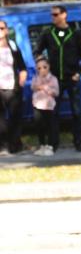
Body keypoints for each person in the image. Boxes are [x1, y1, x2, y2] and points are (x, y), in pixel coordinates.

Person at [34, 5, 81, 153]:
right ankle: (54, 143)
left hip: (72, 78)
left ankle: (78, 142)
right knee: (53, 112)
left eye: (56, 14)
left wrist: (79, 73)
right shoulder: (48, 33)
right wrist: (42, 64)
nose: (53, 17)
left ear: (64, 15)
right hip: (55, 79)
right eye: (51, 15)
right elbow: (37, 51)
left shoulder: (75, 33)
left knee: (76, 111)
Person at [0, 20, 29, 154]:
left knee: (15, 118)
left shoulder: (12, 46)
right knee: (1, 120)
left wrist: (22, 79)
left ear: (6, 30)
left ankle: (15, 146)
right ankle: (3, 146)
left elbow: (22, 66)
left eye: (1, 28)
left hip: (13, 87)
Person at [30, 57, 59, 156]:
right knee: (39, 125)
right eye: (39, 68)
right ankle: (42, 145)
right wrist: (38, 86)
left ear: (48, 67)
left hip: (49, 106)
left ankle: (50, 146)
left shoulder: (53, 79)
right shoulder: (36, 78)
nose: (42, 70)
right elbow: (32, 87)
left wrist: (45, 88)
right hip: (37, 105)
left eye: (44, 67)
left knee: (50, 126)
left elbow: (56, 92)